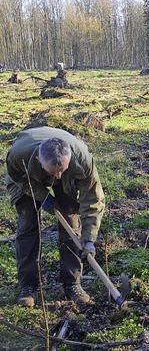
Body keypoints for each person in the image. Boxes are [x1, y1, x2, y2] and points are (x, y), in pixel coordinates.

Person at [5, 127, 105, 307]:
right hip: (27, 178)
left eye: (62, 170)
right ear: (39, 161)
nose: (57, 176)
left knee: (70, 220)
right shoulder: (19, 157)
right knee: (28, 223)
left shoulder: (82, 162)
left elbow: (92, 200)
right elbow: (17, 177)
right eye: (53, 173)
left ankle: (72, 283)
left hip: (68, 172)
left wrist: (89, 239)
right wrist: (43, 197)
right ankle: (27, 285)